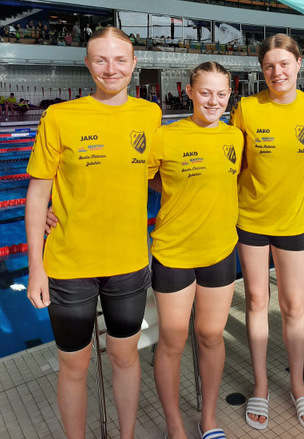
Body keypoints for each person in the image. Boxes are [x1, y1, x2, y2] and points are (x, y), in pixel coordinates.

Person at [25, 27, 161, 439]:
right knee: (74, 365)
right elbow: (37, 192)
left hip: (128, 262)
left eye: (120, 59)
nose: (111, 68)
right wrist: (35, 267)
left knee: (124, 356)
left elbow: (155, 176)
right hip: (69, 265)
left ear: (134, 65)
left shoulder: (149, 114)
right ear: (87, 65)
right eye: (100, 59)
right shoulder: (60, 117)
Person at [230, 33, 304, 430]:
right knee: (256, 301)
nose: (276, 72)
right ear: (262, 69)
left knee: (293, 306)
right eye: (269, 66)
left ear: (299, 65)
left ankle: (298, 384)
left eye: (284, 64)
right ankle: (260, 385)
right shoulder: (247, 108)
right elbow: (233, 163)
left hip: (293, 221)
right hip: (250, 219)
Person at [149, 61, 243, 439]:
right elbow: (134, 177)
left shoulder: (235, 137)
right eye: (205, 92)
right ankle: (175, 425)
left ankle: (208, 418)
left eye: (221, 94)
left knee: (210, 335)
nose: (213, 101)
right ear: (188, 91)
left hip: (220, 250)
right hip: (173, 251)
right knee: (172, 339)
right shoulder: (165, 137)